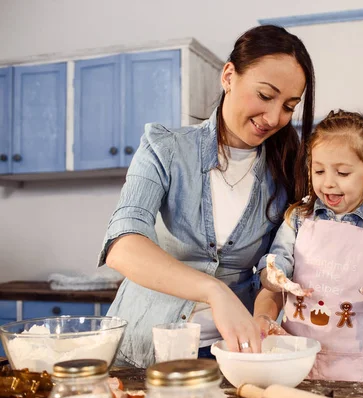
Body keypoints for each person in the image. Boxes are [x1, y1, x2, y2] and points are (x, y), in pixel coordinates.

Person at [98, 24, 315, 368]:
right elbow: (122, 246)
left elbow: (275, 270)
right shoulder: (164, 148)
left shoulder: (287, 174)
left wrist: (264, 315)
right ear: (229, 76)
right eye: (265, 95)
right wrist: (215, 291)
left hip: (233, 357)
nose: (275, 118)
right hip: (142, 352)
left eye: (289, 106)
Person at [253, 109, 363, 382]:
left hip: (347, 361)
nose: (328, 182)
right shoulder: (298, 219)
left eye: (342, 172)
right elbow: (276, 261)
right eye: (318, 170)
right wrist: (274, 276)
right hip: (293, 352)